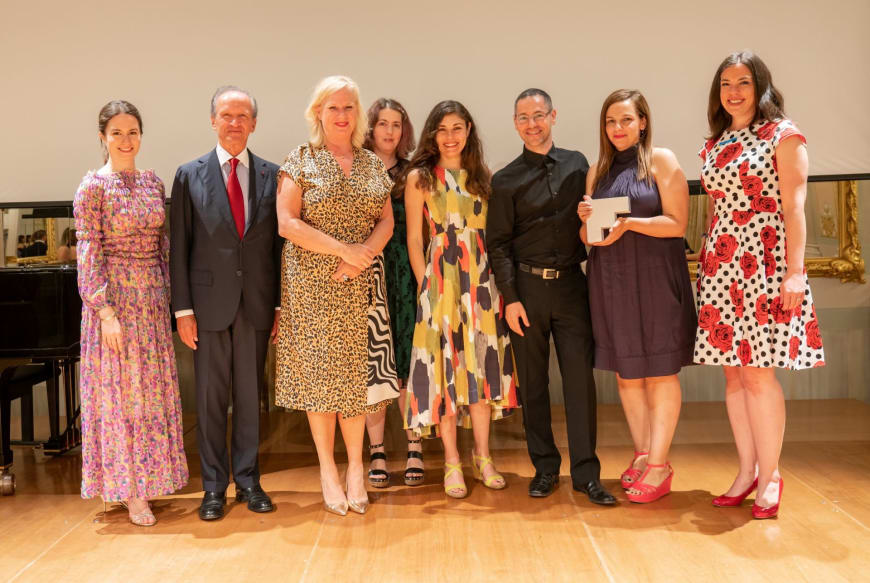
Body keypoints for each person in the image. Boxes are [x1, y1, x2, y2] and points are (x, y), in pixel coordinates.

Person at [695, 51, 825, 519]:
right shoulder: (713, 144)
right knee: (732, 372)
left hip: (765, 261)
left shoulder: (784, 135)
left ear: (760, 86)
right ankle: (747, 469)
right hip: (722, 263)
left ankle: (771, 475)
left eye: (743, 82)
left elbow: (794, 207)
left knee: (757, 373)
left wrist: (796, 270)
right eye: (726, 84)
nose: (734, 91)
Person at [275, 76, 398, 516]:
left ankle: (356, 468)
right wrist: (343, 250)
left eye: (348, 107)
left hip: (360, 284)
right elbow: (287, 223)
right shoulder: (300, 160)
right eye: (332, 108)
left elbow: (386, 222)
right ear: (318, 114)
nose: (342, 115)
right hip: (313, 287)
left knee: (356, 383)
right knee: (322, 382)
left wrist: (361, 258)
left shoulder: (370, 164)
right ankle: (327, 468)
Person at [487, 89, 615, 505]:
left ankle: (586, 474)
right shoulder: (504, 180)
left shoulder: (578, 165)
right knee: (534, 385)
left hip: (572, 287)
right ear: (515, 123)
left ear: (553, 116)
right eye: (523, 117)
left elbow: (596, 217)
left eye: (538, 115)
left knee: (580, 382)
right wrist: (511, 298)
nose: (531, 124)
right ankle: (544, 468)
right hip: (525, 292)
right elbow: (499, 244)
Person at [577, 89, 697, 503]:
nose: (618, 128)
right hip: (610, 281)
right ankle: (644, 454)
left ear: (642, 122)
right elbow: (591, 240)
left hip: (657, 278)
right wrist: (586, 221)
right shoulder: (597, 172)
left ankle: (661, 466)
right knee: (628, 374)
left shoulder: (661, 160)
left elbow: (678, 224)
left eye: (626, 120)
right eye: (611, 121)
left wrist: (630, 224)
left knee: (660, 371)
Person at [74, 100, 188, 526]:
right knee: (121, 395)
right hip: (115, 303)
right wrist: (104, 310)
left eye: (133, 131)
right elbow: (89, 250)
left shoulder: (153, 183)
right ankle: (128, 489)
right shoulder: (92, 187)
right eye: (117, 132)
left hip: (151, 300)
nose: (126, 140)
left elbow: (163, 246)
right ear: (103, 138)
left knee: (150, 394)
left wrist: (169, 300)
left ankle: (150, 478)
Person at [169, 86, 281, 521]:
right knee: (212, 400)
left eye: (243, 116)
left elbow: (276, 249)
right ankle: (213, 486)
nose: (235, 123)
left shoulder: (274, 175)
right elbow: (179, 247)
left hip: (255, 304)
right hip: (207, 306)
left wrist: (277, 307)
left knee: (250, 397)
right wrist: (182, 310)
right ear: (212, 121)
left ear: (254, 123)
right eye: (226, 115)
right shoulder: (187, 175)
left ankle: (249, 480)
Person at [405, 100, 517, 499]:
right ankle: (452, 459)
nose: (450, 137)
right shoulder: (420, 178)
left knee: (482, 371)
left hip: (481, 287)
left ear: (468, 130)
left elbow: (493, 237)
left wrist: (496, 289)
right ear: (432, 135)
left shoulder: (483, 176)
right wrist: (426, 289)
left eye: (457, 128)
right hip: (441, 286)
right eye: (442, 129)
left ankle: (483, 457)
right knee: (447, 374)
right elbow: (415, 240)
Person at [361, 98, 424, 488]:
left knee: (410, 360)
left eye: (396, 124)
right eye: (382, 123)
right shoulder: (357, 169)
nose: (389, 131)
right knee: (375, 365)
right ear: (370, 128)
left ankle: (416, 445)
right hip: (369, 272)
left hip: (408, 273)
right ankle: (378, 450)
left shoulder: (415, 173)